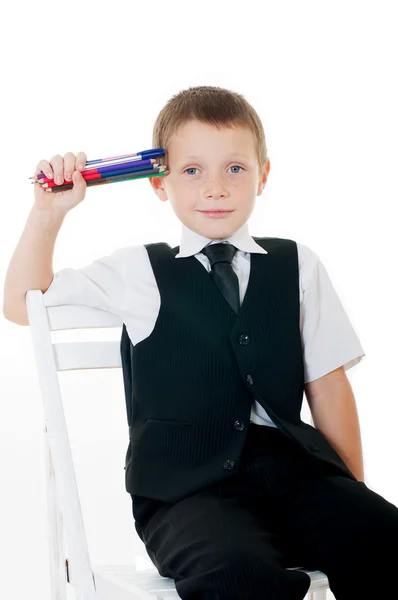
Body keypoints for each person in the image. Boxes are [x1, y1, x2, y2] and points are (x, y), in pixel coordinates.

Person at [3, 85, 398, 600]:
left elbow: (327, 386)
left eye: (235, 168)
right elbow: (20, 304)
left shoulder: (297, 265)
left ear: (264, 175)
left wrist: (350, 496)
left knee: (384, 541)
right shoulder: (139, 271)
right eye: (193, 170)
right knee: (237, 575)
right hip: (185, 491)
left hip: (295, 475)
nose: (215, 188)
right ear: (158, 182)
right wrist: (49, 214)